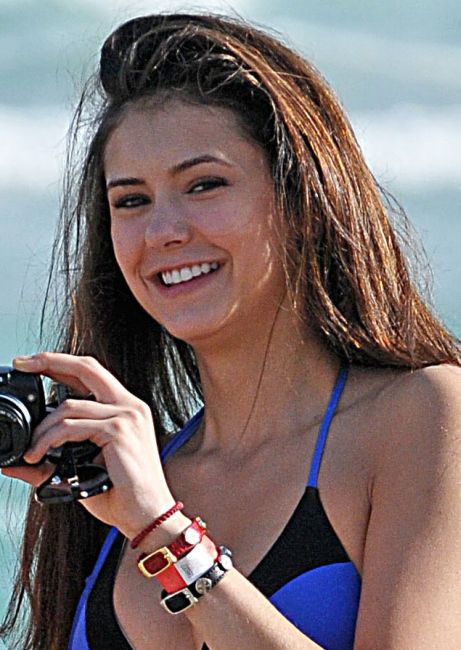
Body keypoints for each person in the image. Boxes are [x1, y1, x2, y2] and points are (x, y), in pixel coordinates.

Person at [1, 12, 461, 650]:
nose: (164, 231)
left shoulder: (424, 416)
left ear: (302, 201)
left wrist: (166, 534)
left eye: (204, 185)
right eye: (131, 200)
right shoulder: (117, 477)